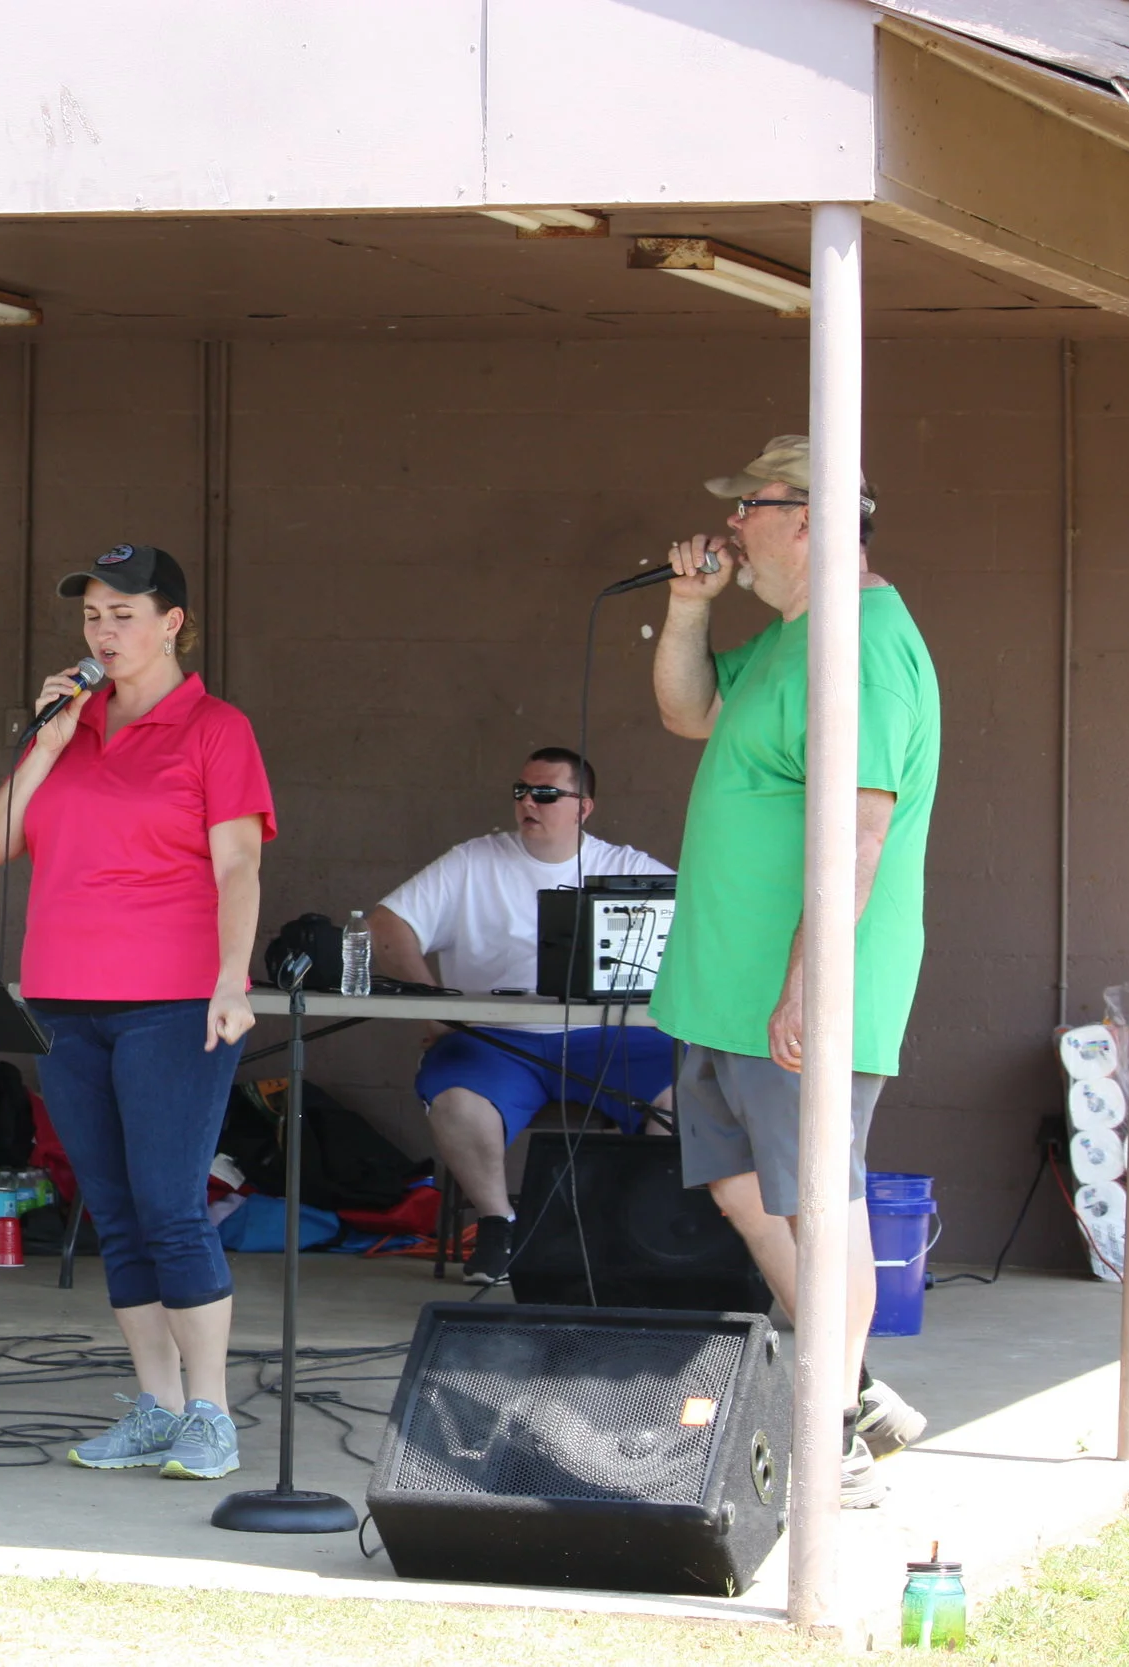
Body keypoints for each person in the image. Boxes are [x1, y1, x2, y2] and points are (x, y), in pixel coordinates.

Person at [649, 435, 938, 1506]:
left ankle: (831, 1439)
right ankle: (852, 1390)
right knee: (742, 1189)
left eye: (749, 509)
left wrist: (808, 981)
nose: (730, 525)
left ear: (809, 518)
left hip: (797, 996)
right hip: (723, 994)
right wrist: (688, 607)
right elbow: (689, 712)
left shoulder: (861, 647)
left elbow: (859, 834)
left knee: (824, 1202)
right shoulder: (789, 638)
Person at [0, 542, 272, 1482]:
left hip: (172, 998)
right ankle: (156, 1402)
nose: (104, 632)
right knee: (111, 1206)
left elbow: (237, 864)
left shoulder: (216, 728)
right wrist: (49, 739)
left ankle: (211, 1414)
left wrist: (233, 977)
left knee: (170, 1205)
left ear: (172, 622)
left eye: (125, 614)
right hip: (65, 996)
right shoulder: (70, 722)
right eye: (93, 615)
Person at [366, 748, 678, 1284]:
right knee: (456, 1102)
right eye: (522, 792)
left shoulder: (627, 866)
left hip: (609, 1039)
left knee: (689, 1095)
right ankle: (497, 1226)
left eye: (546, 794)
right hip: (496, 1040)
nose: (528, 803)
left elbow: (697, 935)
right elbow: (386, 923)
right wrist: (431, 1005)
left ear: (584, 808)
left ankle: (634, 1229)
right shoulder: (473, 860)